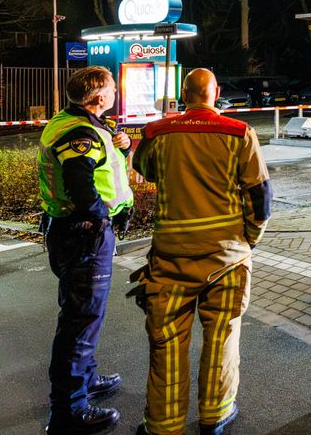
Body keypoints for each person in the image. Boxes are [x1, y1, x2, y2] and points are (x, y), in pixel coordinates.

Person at [129, 68, 272, 435]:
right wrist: (248, 240)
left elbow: (144, 170)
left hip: (170, 260)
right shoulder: (239, 133)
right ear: (216, 93)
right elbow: (259, 196)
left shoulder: (159, 133)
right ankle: (216, 413)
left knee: (167, 343)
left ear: (183, 93)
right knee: (222, 337)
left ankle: (164, 423)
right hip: (226, 260)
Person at [37, 66, 133, 434]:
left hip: (68, 232)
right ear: (98, 97)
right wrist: (102, 216)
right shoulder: (80, 132)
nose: (114, 93)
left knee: (79, 313)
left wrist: (118, 142)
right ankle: (68, 411)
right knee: (80, 322)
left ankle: (86, 378)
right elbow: (81, 183)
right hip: (85, 236)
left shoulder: (70, 120)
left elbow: (96, 159)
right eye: (111, 89)